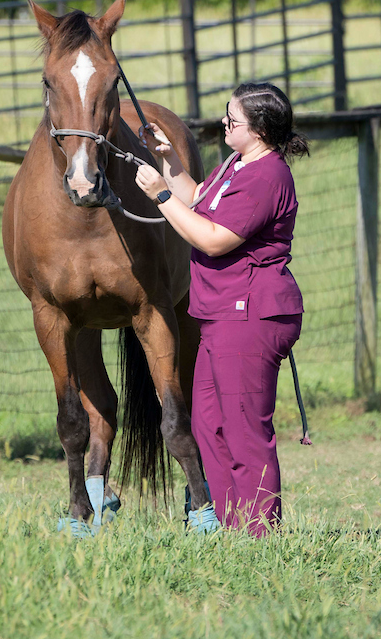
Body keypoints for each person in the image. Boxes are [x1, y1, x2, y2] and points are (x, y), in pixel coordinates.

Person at [134, 82, 308, 537]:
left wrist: (159, 197)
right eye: (226, 116)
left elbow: (213, 237)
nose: (224, 124)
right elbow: (197, 200)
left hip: (250, 314)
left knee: (244, 428)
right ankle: (234, 530)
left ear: (261, 130)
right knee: (210, 424)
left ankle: (259, 535)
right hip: (219, 314)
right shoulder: (236, 163)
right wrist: (168, 161)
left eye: (233, 120)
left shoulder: (267, 177)